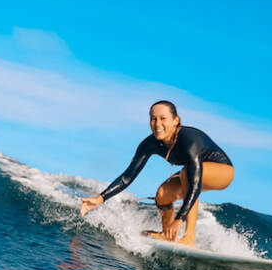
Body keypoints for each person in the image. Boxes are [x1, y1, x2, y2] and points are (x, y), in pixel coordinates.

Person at [79, 100, 234, 245]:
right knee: (162, 194)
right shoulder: (150, 143)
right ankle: (167, 235)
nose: (157, 124)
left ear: (176, 120)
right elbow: (127, 177)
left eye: (163, 118)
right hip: (191, 173)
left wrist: (180, 218)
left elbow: (195, 182)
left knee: (187, 174)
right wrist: (100, 198)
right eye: (153, 119)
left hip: (223, 171)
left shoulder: (189, 140)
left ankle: (189, 237)